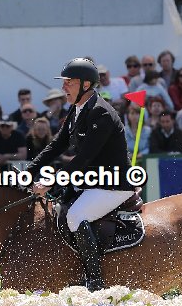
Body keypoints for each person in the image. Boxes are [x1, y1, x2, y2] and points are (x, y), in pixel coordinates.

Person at [28, 58, 136, 291]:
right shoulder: (77, 109)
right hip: (92, 181)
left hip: (113, 184)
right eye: (64, 82)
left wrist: (52, 180)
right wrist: (28, 172)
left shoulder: (101, 113)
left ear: (86, 85)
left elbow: (84, 158)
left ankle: (95, 281)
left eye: (70, 82)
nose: (64, 87)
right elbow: (56, 146)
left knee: (75, 216)